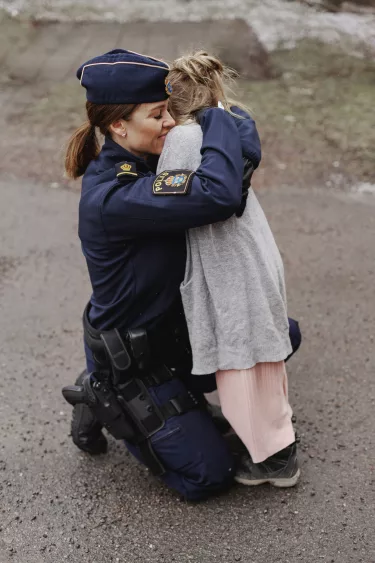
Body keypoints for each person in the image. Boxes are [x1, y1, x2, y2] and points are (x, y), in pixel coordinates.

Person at [156, 51, 300, 487]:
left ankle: (271, 459)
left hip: (225, 262)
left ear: (173, 106)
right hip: (255, 249)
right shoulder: (232, 126)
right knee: (263, 354)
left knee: (236, 359)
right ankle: (279, 440)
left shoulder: (183, 138)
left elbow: (165, 193)